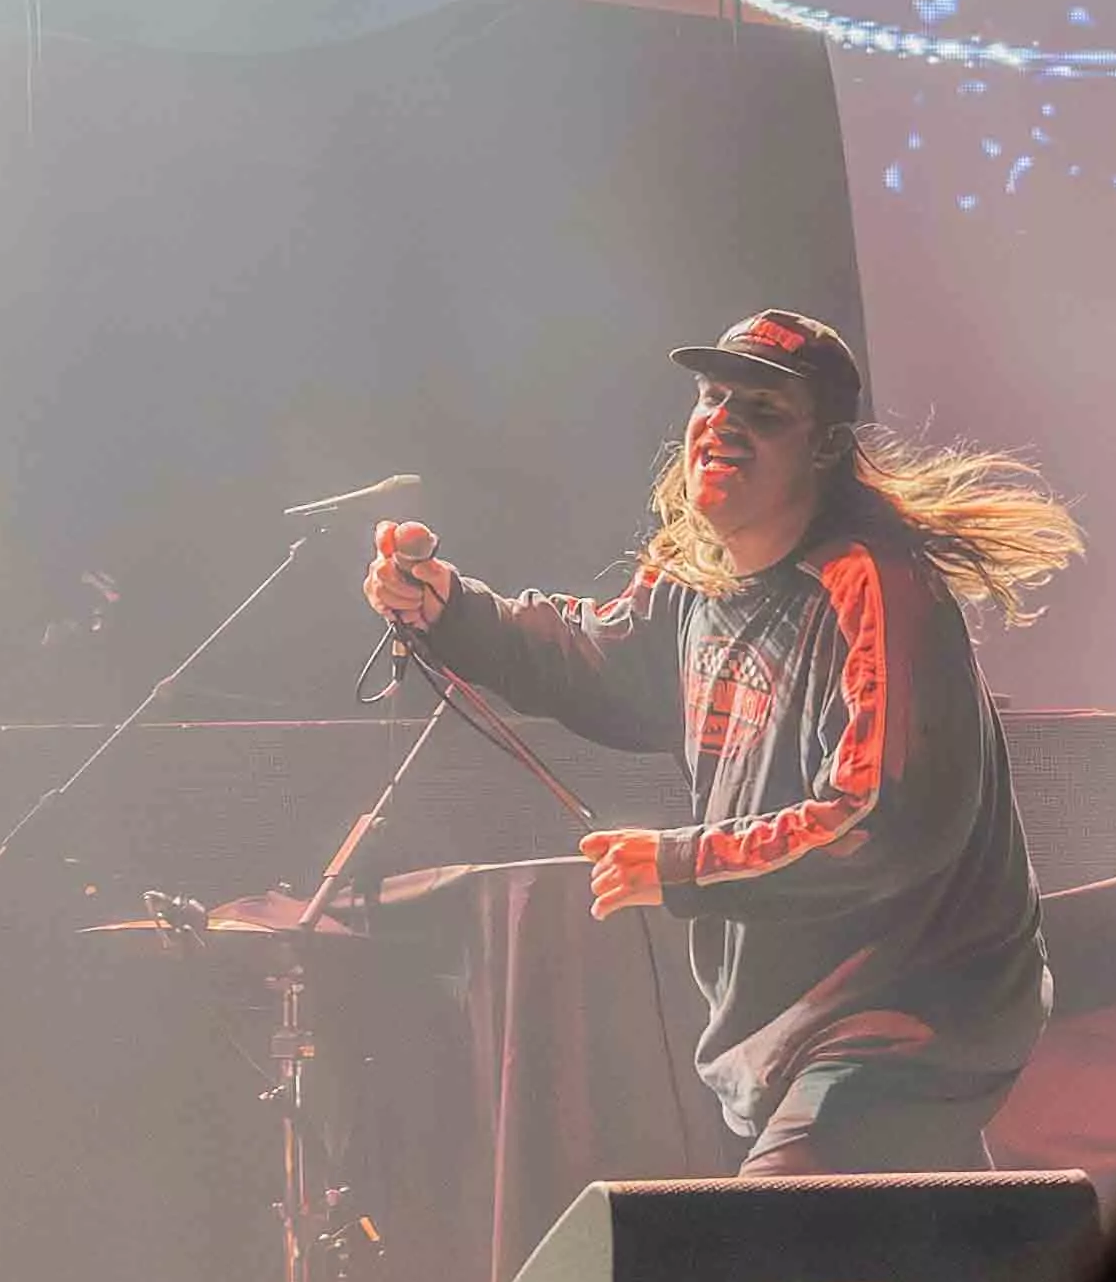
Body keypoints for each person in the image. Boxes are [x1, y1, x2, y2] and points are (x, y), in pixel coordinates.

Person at [366, 309, 1076, 1176]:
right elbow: (598, 658)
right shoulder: (695, 580)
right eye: (712, 398)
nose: (722, 422)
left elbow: (882, 821)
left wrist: (682, 863)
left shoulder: (874, 585)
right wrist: (449, 606)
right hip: (792, 1017)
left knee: (775, 1245)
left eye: (765, 409)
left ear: (824, 447)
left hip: (908, 1010)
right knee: (909, 1272)